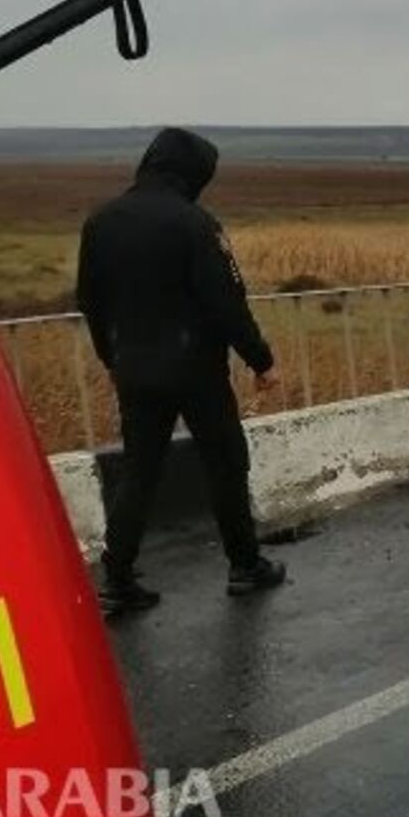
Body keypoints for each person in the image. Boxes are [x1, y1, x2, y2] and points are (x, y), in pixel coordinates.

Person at [75, 128, 289, 615]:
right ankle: (245, 565)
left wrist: (112, 357)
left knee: (139, 471)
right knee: (225, 463)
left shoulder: (100, 223)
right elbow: (226, 302)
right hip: (196, 371)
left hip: (133, 368)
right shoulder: (195, 224)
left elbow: (90, 300)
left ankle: (117, 579)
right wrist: (260, 360)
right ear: (192, 174)